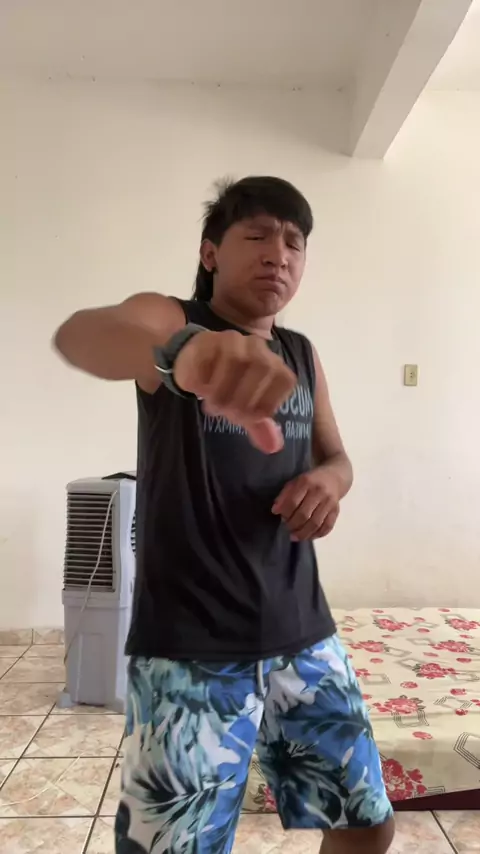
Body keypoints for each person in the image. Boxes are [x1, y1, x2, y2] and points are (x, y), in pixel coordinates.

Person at [54, 176, 395, 854]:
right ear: (210, 253)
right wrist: (183, 352)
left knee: (366, 825)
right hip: (190, 648)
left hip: (302, 631)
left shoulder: (299, 353)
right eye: (258, 235)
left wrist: (329, 482)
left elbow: (337, 457)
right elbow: (82, 336)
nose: (279, 254)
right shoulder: (171, 320)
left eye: (295, 242)